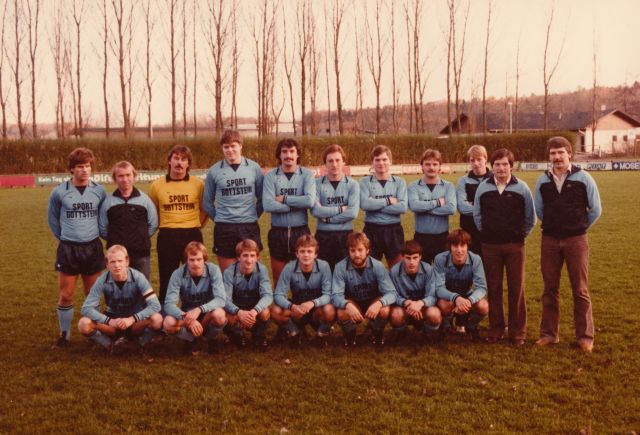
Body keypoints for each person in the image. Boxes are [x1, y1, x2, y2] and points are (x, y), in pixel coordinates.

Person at [534, 136, 602, 353]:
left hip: (576, 240)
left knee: (580, 289)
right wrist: (556, 227)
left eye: (560, 152)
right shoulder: (542, 181)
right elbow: (539, 211)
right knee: (549, 289)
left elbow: (596, 210)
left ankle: (585, 337)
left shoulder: (584, 178)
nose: (557, 157)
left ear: (569, 154)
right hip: (550, 240)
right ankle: (549, 334)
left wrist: (579, 228)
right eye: (553, 153)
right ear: (549, 156)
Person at [473, 148, 535, 346]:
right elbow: (477, 216)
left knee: (517, 289)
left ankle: (517, 333)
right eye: (497, 164)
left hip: (515, 246)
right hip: (490, 246)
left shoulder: (522, 188)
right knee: (494, 288)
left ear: (512, 166)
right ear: (492, 166)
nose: (501, 168)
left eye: (505, 164)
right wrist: (489, 234)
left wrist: (518, 236)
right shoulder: (483, 188)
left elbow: (530, 218)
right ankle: (496, 329)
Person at [47, 147, 106, 348]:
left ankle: (93, 333)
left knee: (92, 295)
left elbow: (104, 218)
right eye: (80, 166)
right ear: (71, 169)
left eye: (88, 166)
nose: (85, 170)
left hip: (92, 247)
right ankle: (64, 335)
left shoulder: (99, 191)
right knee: (66, 295)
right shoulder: (59, 192)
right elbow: (53, 219)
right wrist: (65, 237)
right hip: (69, 249)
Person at [149, 144, 207, 304]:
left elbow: (205, 209)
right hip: (167, 235)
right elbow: (155, 212)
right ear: (169, 161)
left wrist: (195, 225)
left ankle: (197, 310)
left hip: (192, 234)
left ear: (189, 164)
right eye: (176, 158)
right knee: (167, 277)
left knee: (196, 275)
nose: (179, 163)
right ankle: (167, 314)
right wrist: (169, 224)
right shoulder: (156, 185)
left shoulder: (198, 184)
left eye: (184, 159)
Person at [78, 245, 162, 352]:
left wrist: (131, 319)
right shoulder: (102, 280)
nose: (117, 265)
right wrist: (109, 321)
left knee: (157, 319)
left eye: (120, 261)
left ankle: (139, 344)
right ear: (107, 264)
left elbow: (155, 305)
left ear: (127, 261)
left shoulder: (138, 277)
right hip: (113, 323)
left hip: (134, 322)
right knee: (84, 323)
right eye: (112, 262)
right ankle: (109, 345)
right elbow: (86, 308)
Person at [203, 129, 264, 272]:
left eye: (233, 146)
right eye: (226, 147)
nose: (230, 150)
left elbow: (262, 199)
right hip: (225, 228)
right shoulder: (214, 171)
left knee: (251, 275)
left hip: (249, 226)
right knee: (228, 276)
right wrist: (221, 218)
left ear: (240, 146)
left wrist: (251, 215)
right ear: (222, 148)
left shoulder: (254, 168)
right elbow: (207, 203)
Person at [263, 138, 316, 283]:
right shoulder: (270, 176)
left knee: (303, 280)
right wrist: (297, 203)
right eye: (284, 152)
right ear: (279, 155)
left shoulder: (307, 174)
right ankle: (283, 305)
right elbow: (268, 205)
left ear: (297, 154)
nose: (288, 155)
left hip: (300, 232)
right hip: (277, 232)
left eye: (292, 151)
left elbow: (309, 201)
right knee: (279, 279)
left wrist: (285, 199)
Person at [332, 232, 397, 348]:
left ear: (367, 250)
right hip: (353, 302)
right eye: (352, 250)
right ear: (348, 251)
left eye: (360, 250)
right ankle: (350, 337)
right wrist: (347, 305)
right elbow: (335, 295)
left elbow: (392, 293)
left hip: (372, 302)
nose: (356, 254)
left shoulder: (378, 266)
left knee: (385, 309)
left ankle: (376, 333)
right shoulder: (340, 267)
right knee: (342, 312)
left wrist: (379, 303)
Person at [163, 242, 227, 355]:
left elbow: (221, 299)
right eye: (192, 260)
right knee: (168, 323)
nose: (195, 263)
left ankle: (210, 339)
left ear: (204, 259)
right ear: (186, 260)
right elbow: (168, 304)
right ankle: (190, 339)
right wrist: (185, 316)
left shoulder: (213, 270)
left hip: (207, 313)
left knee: (220, 315)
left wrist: (199, 309)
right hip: (187, 315)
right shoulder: (177, 274)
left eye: (199, 259)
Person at [271, 235, 335, 347]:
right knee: (275, 310)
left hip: (316, 309)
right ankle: (294, 332)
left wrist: (312, 303)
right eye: (302, 251)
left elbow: (328, 294)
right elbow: (278, 295)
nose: (306, 255)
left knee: (330, 310)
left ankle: (321, 334)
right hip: (298, 310)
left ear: (315, 254)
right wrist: (292, 306)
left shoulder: (324, 266)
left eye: (309, 251)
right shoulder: (289, 267)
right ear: (297, 254)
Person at [99, 161, 158, 279]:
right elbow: (102, 228)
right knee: (117, 289)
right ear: (115, 179)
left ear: (134, 176)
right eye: (120, 176)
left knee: (142, 289)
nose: (125, 179)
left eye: (128, 175)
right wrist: (115, 239)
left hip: (141, 254)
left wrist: (141, 237)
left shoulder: (144, 200)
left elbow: (153, 224)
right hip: (116, 257)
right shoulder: (108, 202)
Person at [433, 229, 489, 342]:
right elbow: (438, 288)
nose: (459, 250)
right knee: (444, 304)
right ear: (450, 247)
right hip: (448, 297)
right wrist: (456, 298)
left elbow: (482, 287)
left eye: (463, 245)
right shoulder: (440, 259)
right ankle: (446, 327)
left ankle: (471, 326)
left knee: (484, 306)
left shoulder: (475, 259)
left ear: (468, 246)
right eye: (455, 246)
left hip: (467, 295)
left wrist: (469, 301)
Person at [311, 144, 360, 269]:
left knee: (345, 275)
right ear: (325, 164)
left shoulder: (353, 184)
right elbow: (316, 210)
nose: (334, 164)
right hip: (323, 236)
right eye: (330, 161)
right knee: (324, 276)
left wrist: (328, 219)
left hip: (346, 236)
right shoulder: (316, 184)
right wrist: (340, 209)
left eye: (338, 160)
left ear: (344, 162)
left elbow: (352, 213)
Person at [359, 145, 407, 268]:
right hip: (372, 230)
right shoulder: (364, 182)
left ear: (390, 161)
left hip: (393, 230)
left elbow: (402, 208)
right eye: (377, 160)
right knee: (370, 268)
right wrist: (388, 201)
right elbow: (364, 204)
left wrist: (374, 204)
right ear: (372, 162)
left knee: (397, 269)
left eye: (384, 159)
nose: (381, 163)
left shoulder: (399, 182)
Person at [408, 149, 457, 264]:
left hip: (442, 238)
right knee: (422, 273)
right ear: (422, 166)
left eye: (435, 164)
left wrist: (424, 208)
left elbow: (451, 208)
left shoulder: (448, 186)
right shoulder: (413, 186)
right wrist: (437, 203)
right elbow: (415, 206)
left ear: (440, 167)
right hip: (421, 238)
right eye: (427, 164)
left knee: (442, 274)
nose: (431, 167)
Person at [389, 240, 441, 344]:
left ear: (420, 257)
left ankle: (426, 332)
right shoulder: (394, 271)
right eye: (408, 258)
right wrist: (406, 302)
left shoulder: (428, 270)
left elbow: (432, 295)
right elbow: (392, 294)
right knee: (396, 315)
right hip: (405, 308)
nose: (411, 262)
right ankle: (401, 332)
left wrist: (420, 303)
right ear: (402, 257)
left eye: (415, 258)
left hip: (423, 307)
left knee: (434, 314)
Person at [223, 239, 273, 348]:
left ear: (257, 257)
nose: (249, 260)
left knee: (265, 311)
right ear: (238, 257)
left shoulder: (262, 270)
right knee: (225, 314)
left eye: (252, 255)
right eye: (245, 255)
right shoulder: (229, 272)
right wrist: (239, 312)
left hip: (253, 309)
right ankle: (237, 335)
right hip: (237, 308)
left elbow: (268, 295)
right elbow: (225, 299)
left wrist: (254, 311)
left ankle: (259, 336)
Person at [456, 145, 492, 256]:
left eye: (479, 159)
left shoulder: (494, 179)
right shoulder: (463, 181)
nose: (476, 163)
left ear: (485, 159)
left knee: (488, 268)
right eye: (472, 160)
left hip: (489, 230)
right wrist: (486, 208)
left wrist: (472, 204)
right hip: (469, 231)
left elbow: (498, 207)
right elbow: (462, 207)